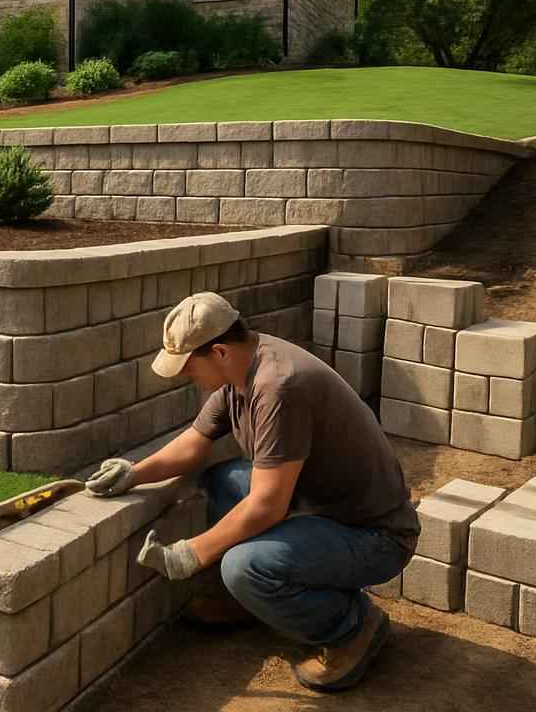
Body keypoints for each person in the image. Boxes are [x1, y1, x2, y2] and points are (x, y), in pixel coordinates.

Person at [85, 291, 418, 692]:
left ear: (219, 351)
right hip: (321, 505)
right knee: (223, 481)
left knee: (243, 567)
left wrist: (191, 554)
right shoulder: (240, 372)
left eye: (189, 368)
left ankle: (352, 626)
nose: (187, 377)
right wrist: (133, 474)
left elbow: (267, 505)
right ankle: (251, 601)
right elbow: (194, 442)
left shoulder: (278, 387)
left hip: (373, 533)